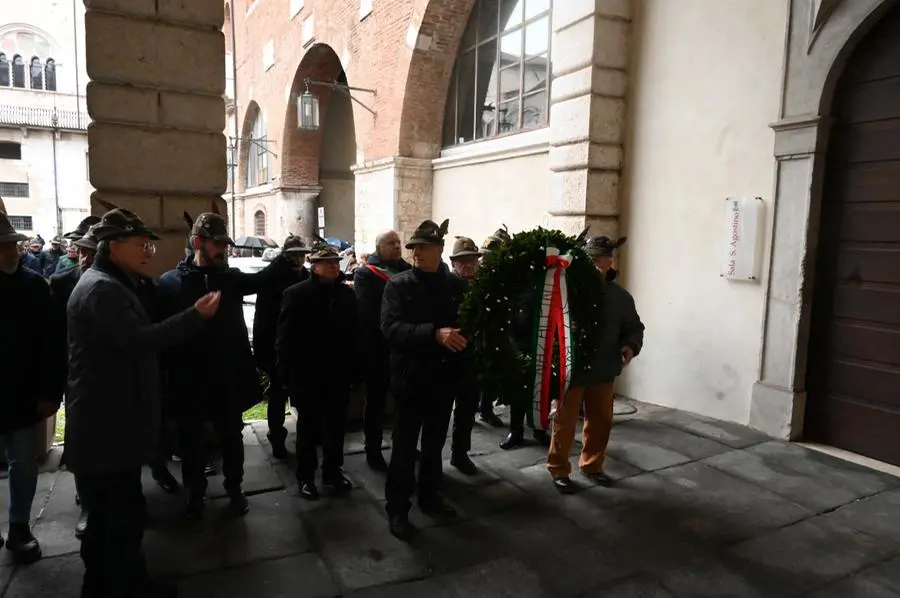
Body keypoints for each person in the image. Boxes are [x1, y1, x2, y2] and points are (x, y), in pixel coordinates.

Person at [66, 207, 221, 597]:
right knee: (111, 521)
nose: (149, 251)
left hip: (114, 423)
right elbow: (138, 341)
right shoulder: (102, 288)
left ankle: (130, 583)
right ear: (114, 246)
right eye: (142, 245)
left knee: (125, 516)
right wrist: (195, 316)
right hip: (106, 427)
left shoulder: (115, 281)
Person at [157, 211, 271, 519]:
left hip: (225, 379)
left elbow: (263, 280)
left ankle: (235, 489)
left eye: (225, 243)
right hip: (188, 381)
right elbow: (162, 333)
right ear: (197, 243)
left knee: (232, 438)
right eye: (217, 244)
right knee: (191, 443)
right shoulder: (170, 283)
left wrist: (288, 259)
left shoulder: (230, 279)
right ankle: (195, 494)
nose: (225, 250)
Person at [382, 219, 468, 541]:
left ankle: (430, 497)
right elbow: (391, 329)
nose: (416, 252)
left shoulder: (456, 287)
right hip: (411, 380)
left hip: (443, 381)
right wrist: (433, 334)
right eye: (413, 247)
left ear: (439, 250)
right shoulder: (398, 285)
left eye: (423, 247)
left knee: (434, 445)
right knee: (404, 448)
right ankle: (397, 509)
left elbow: (467, 324)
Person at [546, 236, 644, 493]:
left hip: (603, 369)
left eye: (599, 258)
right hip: (572, 370)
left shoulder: (621, 297)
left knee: (600, 421)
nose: (594, 263)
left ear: (609, 260)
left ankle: (591, 465)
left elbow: (634, 328)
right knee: (564, 422)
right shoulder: (568, 290)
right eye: (589, 258)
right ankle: (558, 469)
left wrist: (630, 346)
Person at [0, 212, 65, 563]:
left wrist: (50, 392)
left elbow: (53, 343)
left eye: (13, 244)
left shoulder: (35, 286)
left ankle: (19, 527)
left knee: (23, 463)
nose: (13, 250)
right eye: (5, 246)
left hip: (23, 393)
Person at [276, 238, 360, 500]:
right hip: (308, 376)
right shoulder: (297, 294)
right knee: (308, 431)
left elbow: (355, 335)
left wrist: (355, 368)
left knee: (336, 429)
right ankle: (306, 477)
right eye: (327, 263)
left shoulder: (347, 294)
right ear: (314, 267)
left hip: (338, 374)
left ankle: (332, 471)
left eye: (335, 262)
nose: (334, 267)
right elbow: (285, 339)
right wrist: (287, 376)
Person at [49, 220, 101, 539]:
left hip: (111, 375)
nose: (84, 256)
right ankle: (86, 502)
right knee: (81, 441)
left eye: (91, 250)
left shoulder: (121, 282)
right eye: (82, 249)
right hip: (76, 377)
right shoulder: (60, 282)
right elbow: (52, 336)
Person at [353, 230, 411, 471]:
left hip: (405, 346)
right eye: (391, 243)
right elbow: (367, 314)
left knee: (404, 401)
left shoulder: (407, 269)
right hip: (378, 348)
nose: (397, 246)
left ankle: (404, 445)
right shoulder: (366, 274)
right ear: (379, 248)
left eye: (398, 242)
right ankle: (373, 449)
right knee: (376, 401)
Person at [253, 234, 310, 459]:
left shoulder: (305, 275)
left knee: (299, 393)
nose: (299, 259)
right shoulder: (274, 277)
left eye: (301, 254)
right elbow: (263, 319)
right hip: (277, 346)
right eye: (295, 254)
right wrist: (265, 352)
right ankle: (276, 437)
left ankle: (304, 437)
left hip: (300, 346)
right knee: (277, 395)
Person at [446, 236, 483, 475]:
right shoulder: (446, 286)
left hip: (473, 358)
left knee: (467, 409)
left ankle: (460, 453)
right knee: (438, 414)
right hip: (448, 358)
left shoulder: (483, 287)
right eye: (463, 261)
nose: (468, 265)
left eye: (472, 260)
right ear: (453, 264)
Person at [476, 227, 510, 429]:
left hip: (497, 327)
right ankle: (483, 409)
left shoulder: (502, 273)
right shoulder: (483, 273)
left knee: (490, 372)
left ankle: (485, 408)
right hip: (482, 328)